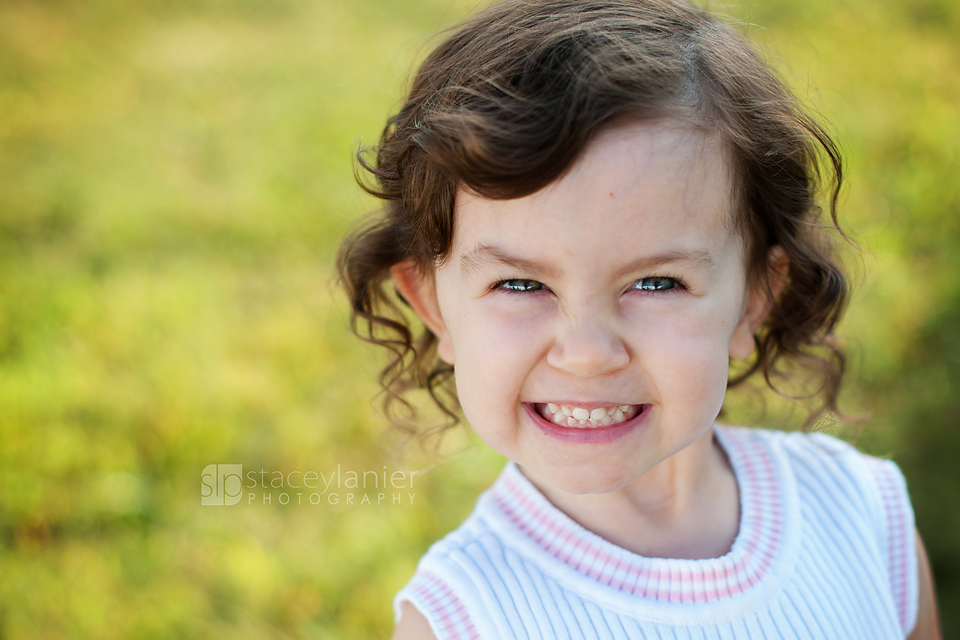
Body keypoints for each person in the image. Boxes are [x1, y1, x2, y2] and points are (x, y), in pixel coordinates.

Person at [336, 0, 942, 637]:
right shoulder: (467, 617)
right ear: (434, 306)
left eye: (656, 282)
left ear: (755, 296)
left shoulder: (863, 514)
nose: (588, 352)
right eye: (520, 283)